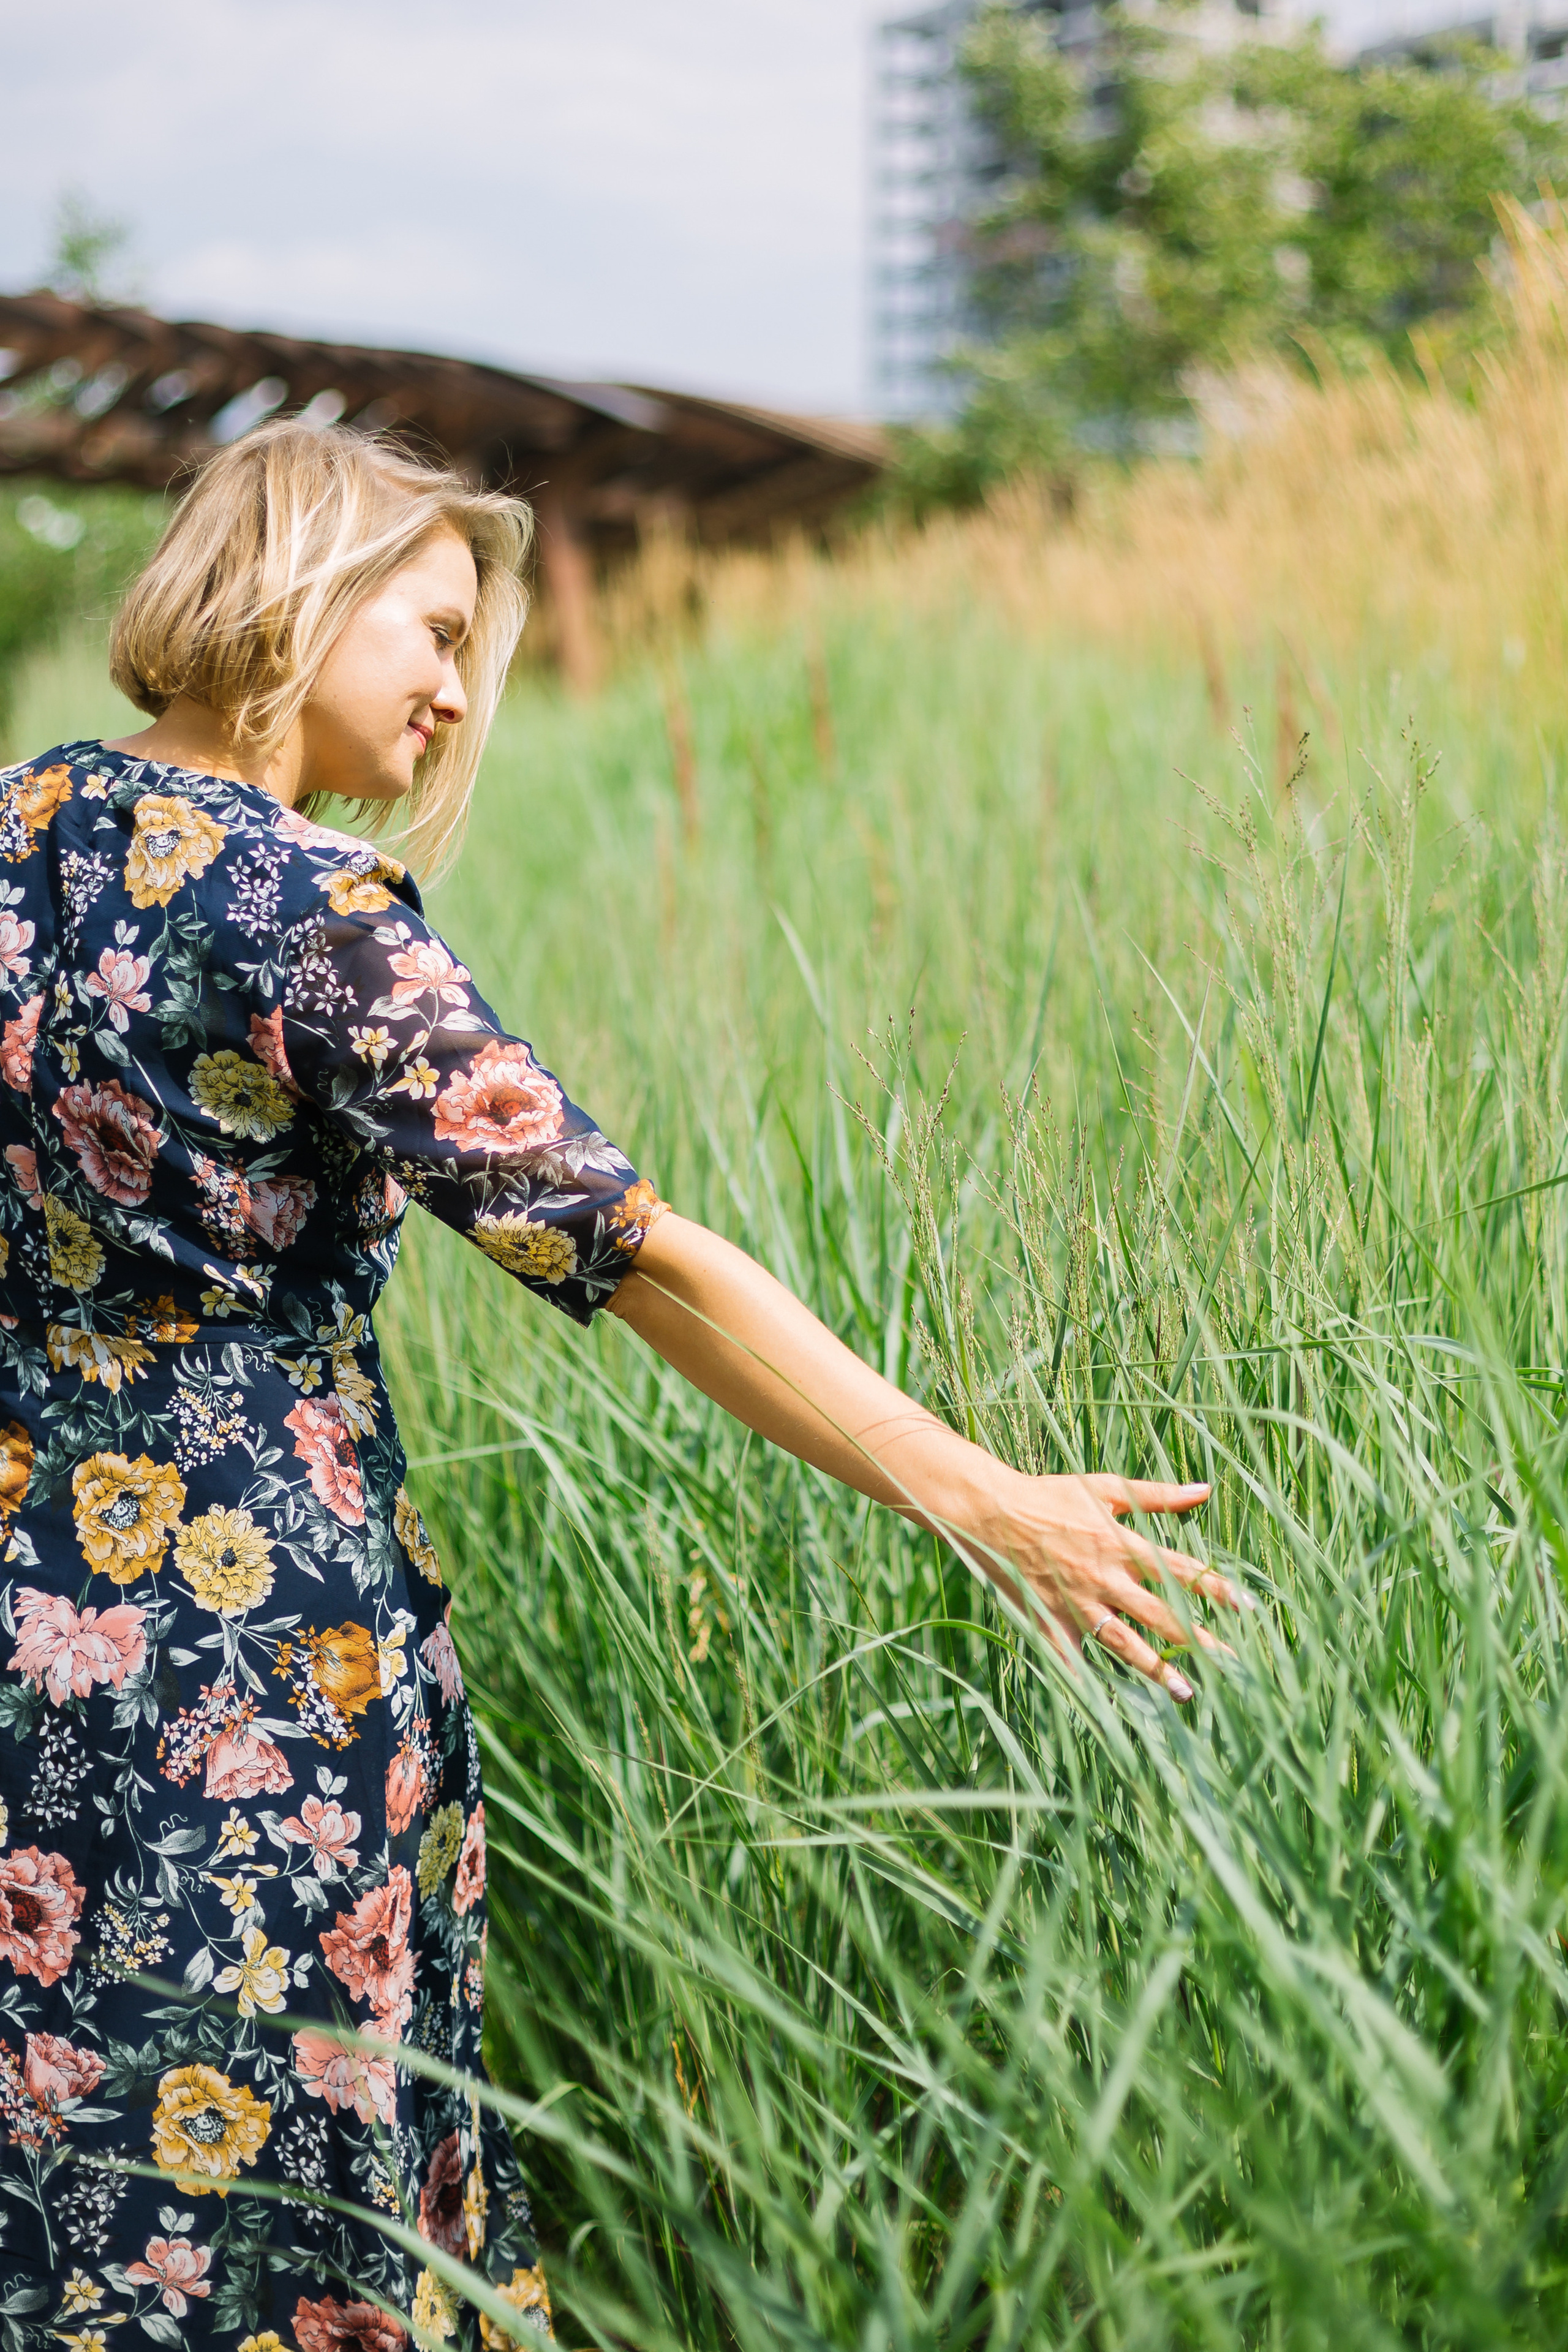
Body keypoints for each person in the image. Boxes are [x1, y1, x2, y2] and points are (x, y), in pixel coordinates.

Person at [0, 422, 1227, 2350]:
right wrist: (977, 1495)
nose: (460, 687)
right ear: (302, 598)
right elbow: (629, 1249)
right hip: (255, 1648)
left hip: (20, 1620)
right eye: (429, 630)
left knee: (56, 2149)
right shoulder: (305, 917)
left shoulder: (12, 828)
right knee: (287, 2171)